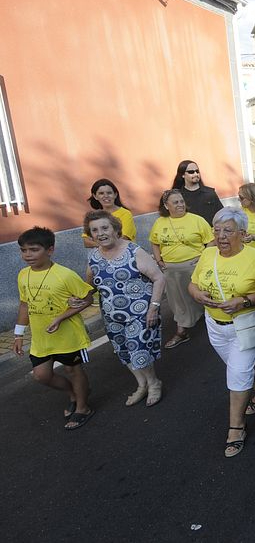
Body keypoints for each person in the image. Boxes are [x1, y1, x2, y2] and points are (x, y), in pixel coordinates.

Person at [188, 207, 255, 458]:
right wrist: (197, 294)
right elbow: (192, 283)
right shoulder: (208, 254)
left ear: (243, 233)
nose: (221, 236)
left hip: (243, 326)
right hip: (214, 325)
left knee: (237, 374)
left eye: (228, 230)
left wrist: (243, 301)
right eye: (217, 230)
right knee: (241, 368)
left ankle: (236, 428)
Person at [14, 227, 95, 430]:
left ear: (49, 250)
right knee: (41, 375)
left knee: (73, 370)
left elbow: (87, 298)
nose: (28, 255)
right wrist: (18, 334)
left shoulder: (64, 275)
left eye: (33, 250)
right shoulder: (23, 275)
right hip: (41, 338)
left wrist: (61, 317)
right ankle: (74, 394)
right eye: (23, 250)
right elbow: (24, 304)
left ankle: (83, 407)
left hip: (69, 337)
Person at [83, 211, 165, 407]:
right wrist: (79, 299)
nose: (100, 233)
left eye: (105, 228)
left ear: (115, 229)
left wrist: (154, 307)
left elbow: (159, 278)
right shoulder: (93, 257)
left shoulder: (133, 251)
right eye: (94, 230)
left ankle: (154, 383)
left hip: (140, 312)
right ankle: (141, 385)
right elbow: (90, 285)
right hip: (112, 315)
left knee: (139, 350)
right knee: (124, 351)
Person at [149, 189, 213, 349]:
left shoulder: (197, 220)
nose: (180, 205)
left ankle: (215, 324)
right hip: (171, 269)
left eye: (182, 201)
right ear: (166, 205)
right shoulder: (160, 222)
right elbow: (154, 242)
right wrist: (159, 260)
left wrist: (202, 258)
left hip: (195, 267)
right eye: (175, 202)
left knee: (202, 296)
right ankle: (182, 331)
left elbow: (211, 241)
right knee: (177, 301)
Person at [82, 179, 137, 247]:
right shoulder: (94, 216)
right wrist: (104, 246)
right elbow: (86, 242)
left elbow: (123, 238)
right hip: (102, 255)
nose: (106, 196)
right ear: (95, 196)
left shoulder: (125, 214)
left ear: (115, 195)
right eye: (101, 193)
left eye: (109, 193)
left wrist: (100, 244)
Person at [172, 159, 223, 225]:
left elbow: (222, 214)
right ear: (183, 175)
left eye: (197, 171)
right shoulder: (178, 196)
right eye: (191, 172)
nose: (196, 174)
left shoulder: (210, 193)